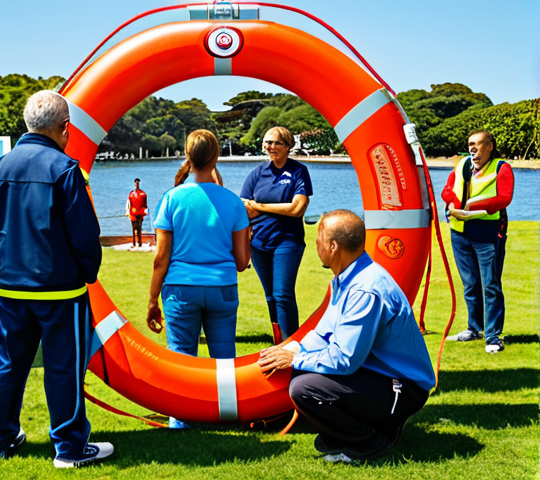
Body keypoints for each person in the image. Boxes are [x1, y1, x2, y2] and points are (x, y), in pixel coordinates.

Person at [0, 90, 113, 468]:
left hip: (12, 291)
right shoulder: (66, 170)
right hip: (60, 290)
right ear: (65, 128)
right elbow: (85, 235)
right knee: (63, 367)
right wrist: (87, 275)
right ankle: (68, 448)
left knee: (9, 364)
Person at [258, 210, 435, 463]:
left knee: (304, 387)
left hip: (402, 388)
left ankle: (371, 441)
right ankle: (347, 432)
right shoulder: (346, 280)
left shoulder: (365, 289)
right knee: (304, 374)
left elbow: (344, 359)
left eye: (319, 237)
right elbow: (322, 334)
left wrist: (294, 360)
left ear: (333, 246)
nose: (315, 244)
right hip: (379, 375)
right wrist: (294, 349)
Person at [147, 129, 250, 429]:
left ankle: (182, 421)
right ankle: (224, 416)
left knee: (182, 359)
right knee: (223, 359)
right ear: (216, 158)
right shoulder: (233, 202)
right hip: (223, 288)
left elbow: (160, 259)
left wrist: (153, 299)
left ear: (187, 158)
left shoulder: (171, 199)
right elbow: (243, 263)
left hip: (180, 290)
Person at [441, 130, 514, 353]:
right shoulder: (462, 164)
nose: (473, 148)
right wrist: (453, 204)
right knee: (470, 285)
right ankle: (474, 329)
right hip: (459, 232)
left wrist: (471, 209)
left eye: (478, 144)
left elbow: (504, 197)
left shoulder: (502, 168)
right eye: (471, 143)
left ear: (489, 146)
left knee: (490, 285)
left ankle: (493, 337)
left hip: (488, 233)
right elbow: (447, 190)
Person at [240, 126, 313, 343]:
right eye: (267, 143)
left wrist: (259, 205)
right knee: (271, 297)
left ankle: (291, 346)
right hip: (259, 243)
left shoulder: (299, 172)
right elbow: (245, 208)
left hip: (287, 242)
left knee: (283, 295)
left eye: (276, 143)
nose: (270, 147)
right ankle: (278, 342)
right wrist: (265, 207)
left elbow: (297, 209)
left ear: (288, 146)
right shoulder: (256, 174)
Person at [127, 178, 148, 247]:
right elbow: (128, 203)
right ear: (134, 184)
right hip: (133, 214)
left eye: (138, 183)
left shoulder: (143, 194)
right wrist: (127, 212)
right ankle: (134, 243)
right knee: (133, 229)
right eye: (136, 183)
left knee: (139, 228)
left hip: (140, 214)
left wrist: (145, 212)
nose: (137, 184)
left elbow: (145, 204)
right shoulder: (131, 194)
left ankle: (140, 242)